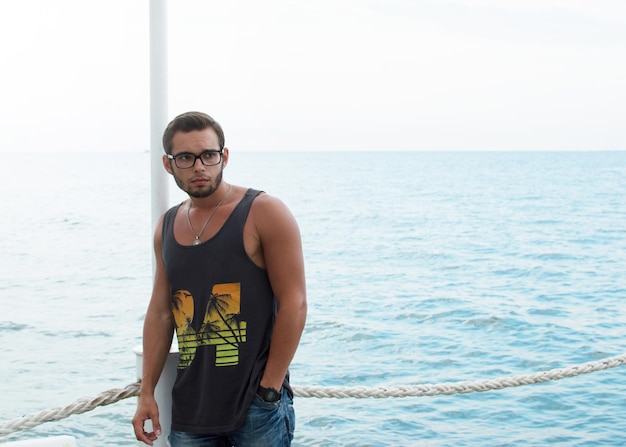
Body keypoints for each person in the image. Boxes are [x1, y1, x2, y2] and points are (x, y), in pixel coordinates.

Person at [132, 111, 307, 446]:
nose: (199, 167)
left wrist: (269, 389)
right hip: (191, 411)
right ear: (169, 164)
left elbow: (294, 304)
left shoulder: (263, 212)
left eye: (208, 155)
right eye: (185, 157)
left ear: (223, 156)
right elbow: (160, 312)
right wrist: (146, 394)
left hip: (256, 408)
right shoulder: (166, 227)